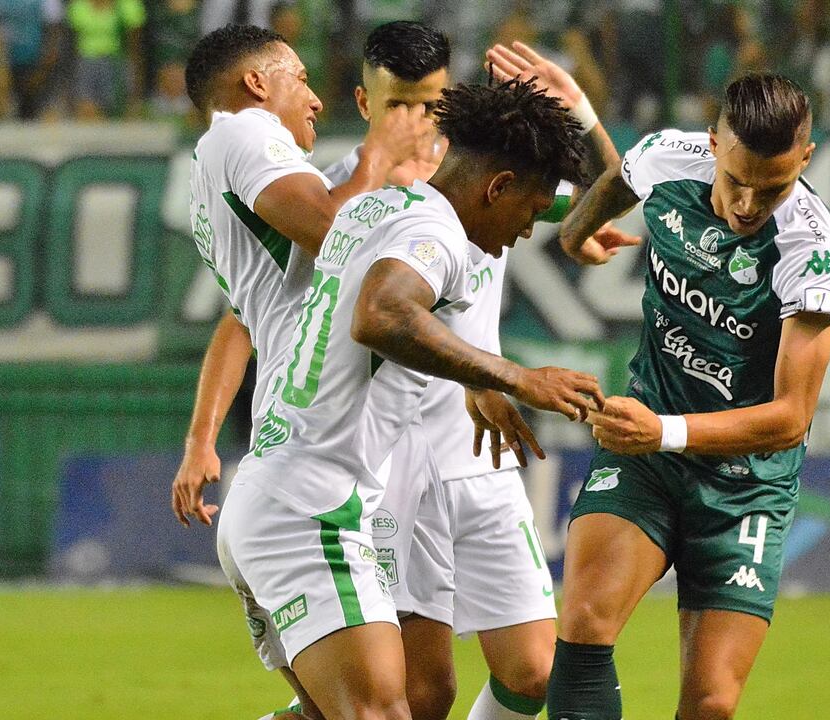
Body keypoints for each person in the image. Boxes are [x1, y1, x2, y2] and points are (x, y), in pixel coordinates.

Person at [219, 76, 603, 720]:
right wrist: (515, 376)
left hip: (280, 494)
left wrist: (475, 379)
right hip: (311, 511)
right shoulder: (438, 233)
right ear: (497, 187)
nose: (526, 232)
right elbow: (381, 314)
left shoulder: (379, 207)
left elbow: (378, 317)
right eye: (530, 212)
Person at [319, 26, 630, 720]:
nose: (414, 122)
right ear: (364, 101)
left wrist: (576, 105)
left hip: (480, 449)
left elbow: (613, 189)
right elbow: (354, 311)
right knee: (423, 694)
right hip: (393, 456)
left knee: (533, 674)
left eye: (430, 103)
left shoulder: (492, 173)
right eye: (399, 104)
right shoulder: (346, 193)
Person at [546, 74, 830, 720]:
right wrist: (574, 235)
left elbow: (791, 418)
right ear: (712, 143)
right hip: (645, 461)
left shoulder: (813, 249)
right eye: (736, 179)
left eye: (771, 188)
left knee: (710, 702)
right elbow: (614, 184)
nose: (746, 204)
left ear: (806, 158)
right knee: (584, 625)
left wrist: (664, 431)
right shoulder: (667, 158)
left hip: (745, 485)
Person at [173, 22, 426, 719]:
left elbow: (240, 322)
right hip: (310, 489)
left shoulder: (218, 171)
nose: (315, 98)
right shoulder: (244, 134)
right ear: (257, 83)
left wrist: (201, 441)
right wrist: (379, 157)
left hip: (281, 474)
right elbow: (330, 229)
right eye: (300, 78)